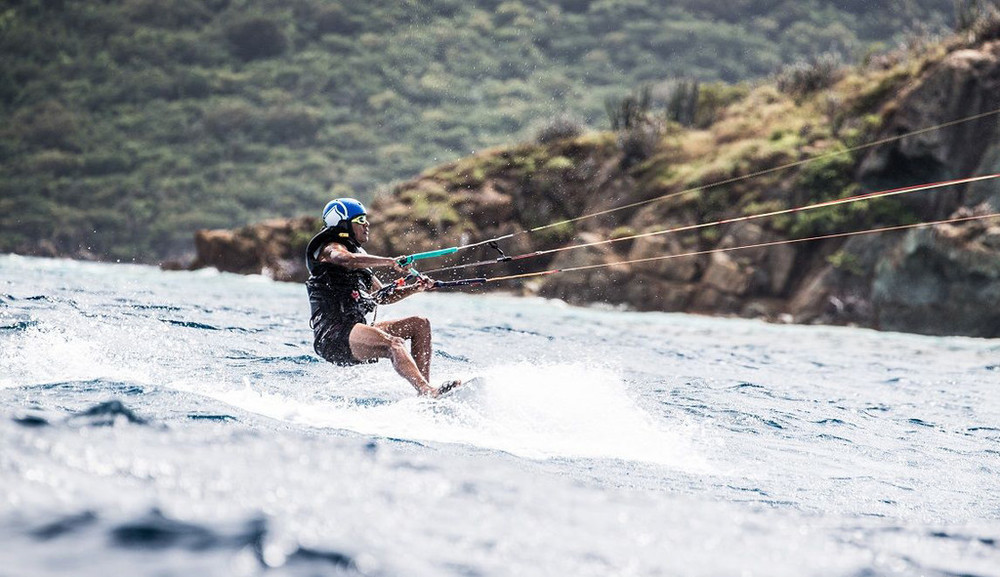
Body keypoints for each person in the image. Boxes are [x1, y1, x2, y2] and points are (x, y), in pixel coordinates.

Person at [305, 198, 459, 397]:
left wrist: (415, 288)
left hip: (356, 329)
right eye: (360, 219)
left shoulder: (358, 258)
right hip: (334, 335)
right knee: (394, 343)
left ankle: (426, 393)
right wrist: (389, 262)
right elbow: (345, 259)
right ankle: (427, 390)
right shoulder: (330, 248)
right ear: (343, 224)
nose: (366, 224)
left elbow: (382, 296)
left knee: (420, 324)